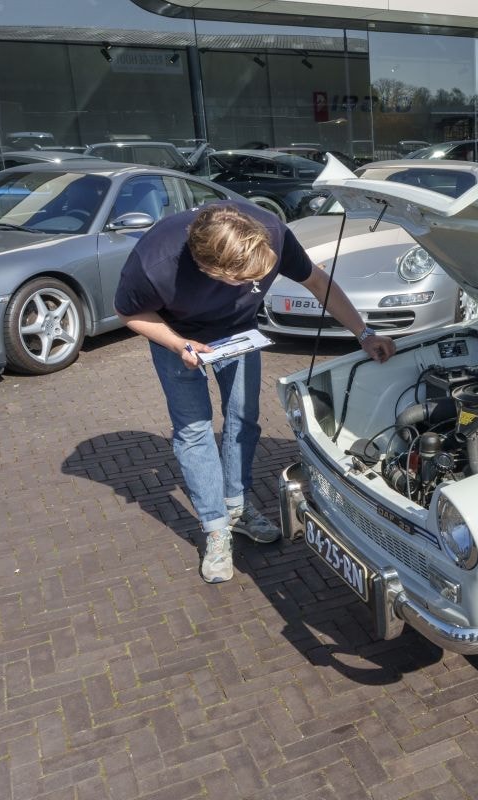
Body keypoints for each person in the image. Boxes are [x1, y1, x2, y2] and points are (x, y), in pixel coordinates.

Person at [115, 201, 394, 584]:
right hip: (177, 338)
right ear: (210, 269)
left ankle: (238, 507)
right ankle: (216, 531)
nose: (252, 286)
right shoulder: (154, 262)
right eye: (242, 280)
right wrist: (180, 345)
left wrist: (363, 334)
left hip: (238, 334)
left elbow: (316, 281)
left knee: (244, 418)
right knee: (194, 429)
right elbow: (129, 313)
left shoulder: (272, 233)